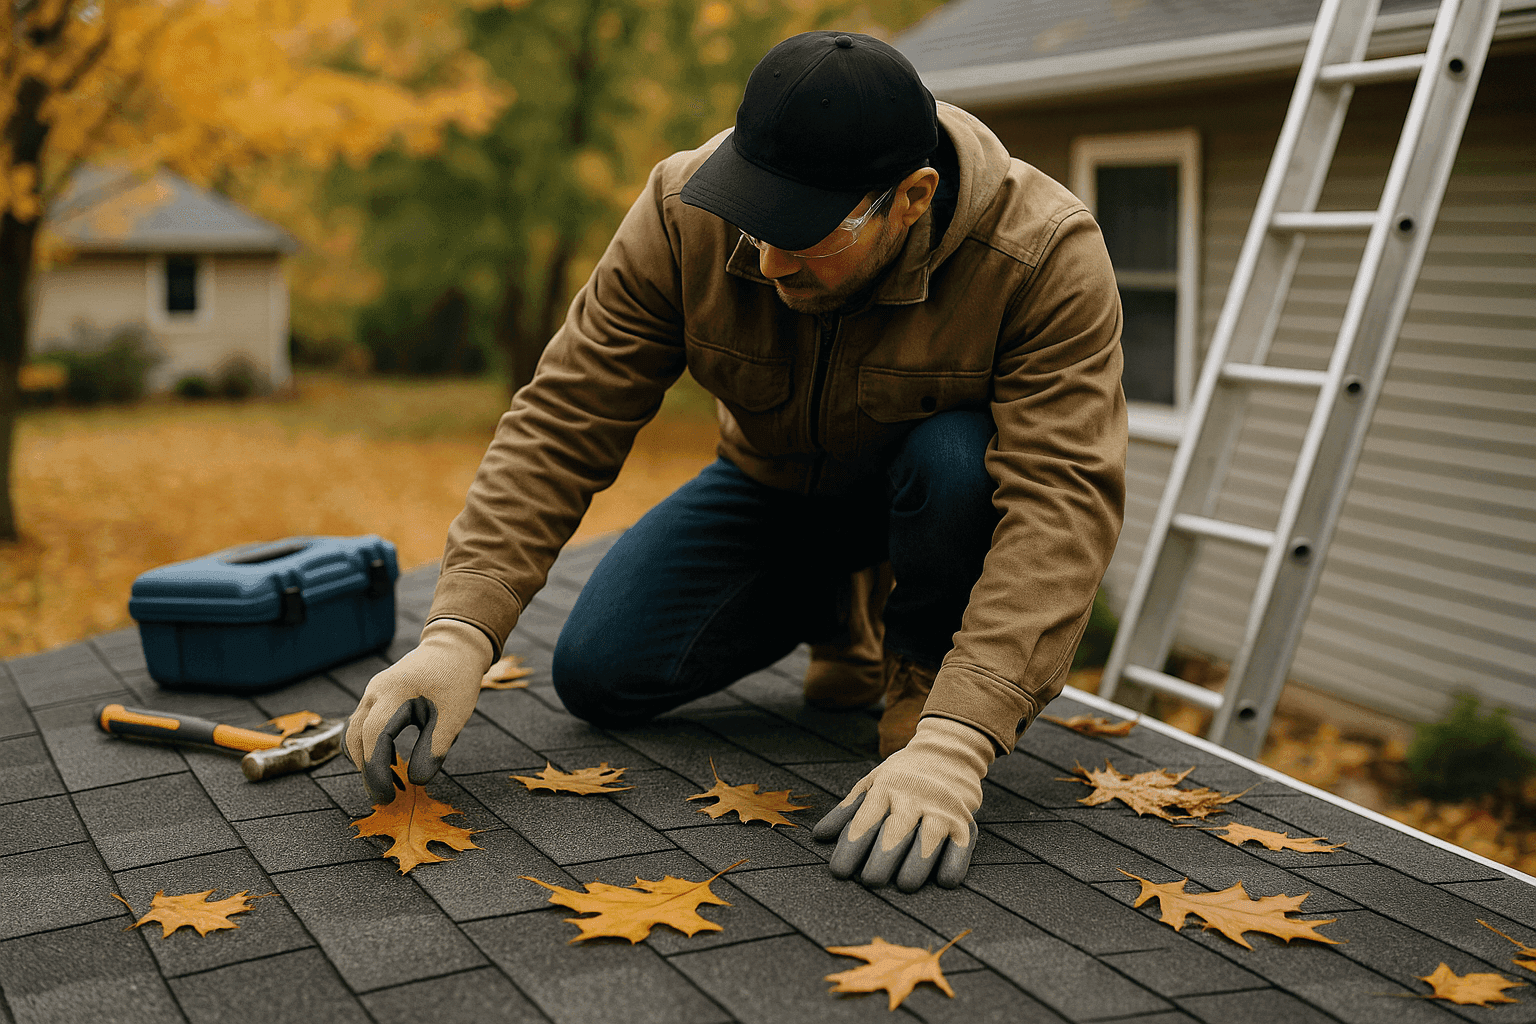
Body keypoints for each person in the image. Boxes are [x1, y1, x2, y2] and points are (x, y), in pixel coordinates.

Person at [345, 30, 1126, 893]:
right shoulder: (685, 209)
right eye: (758, 222)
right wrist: (459, 632)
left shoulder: (1042, 253)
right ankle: (841, 602)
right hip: (774, 487)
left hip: (941, 504)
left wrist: (959, 740)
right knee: (600, 674)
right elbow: (568, 412)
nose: (767, 259)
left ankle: (917, 661)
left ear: (911, 197)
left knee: (957, 459)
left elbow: (1064, 502)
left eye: (803, 234)